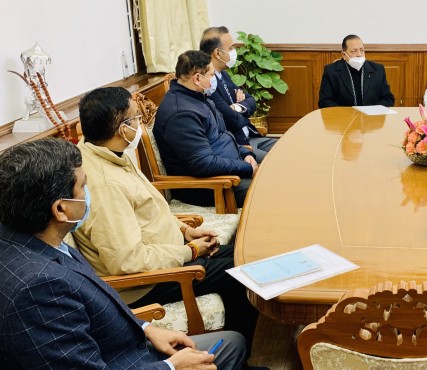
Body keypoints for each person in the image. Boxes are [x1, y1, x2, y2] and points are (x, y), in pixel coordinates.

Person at [0, 138, 246, 370]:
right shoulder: (39, 289)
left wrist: (147, 328)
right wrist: (171, 367)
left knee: (233, 342)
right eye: (83, 187)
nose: (89, 193)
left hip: (127, 343)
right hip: (125, 360)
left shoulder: (30, 239)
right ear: (61, 209)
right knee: (232, 346)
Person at [73, 86, 259, 346]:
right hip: (146, 282)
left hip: (168, 251)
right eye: (136, 118)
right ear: (121, 128)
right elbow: (127, 262)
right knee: (244, 271)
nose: (141, 124)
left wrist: (185, 231)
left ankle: (239, 346)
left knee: (247, 252)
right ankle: (238, 354)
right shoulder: (104, 184)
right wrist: (191, 252)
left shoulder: (107, 153)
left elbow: (150, 207)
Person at [154, 50, 257, 207]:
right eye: (210, 75)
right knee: (271, 190)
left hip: (229, 170)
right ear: (197, 78)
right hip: (210, 187)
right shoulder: (181, 114)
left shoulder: (199, 98)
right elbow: (203, 164)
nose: (213, 79)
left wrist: (245, 153)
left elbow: (224, 135)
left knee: (277, 171)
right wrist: (247, 168)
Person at [200, 26, 277, 163]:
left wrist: (237, 107)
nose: (234, 52)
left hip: (252, 135)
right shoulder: (208, 83)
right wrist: (240, 109)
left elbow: (250, 100)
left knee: (288, 148)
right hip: (240, 145)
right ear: (218, 53)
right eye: (230, 48)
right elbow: (231, 120)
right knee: (278, 161)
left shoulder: (223, 74)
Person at [318, 34, 395, 108]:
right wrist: (348, 113)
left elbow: (388, 99)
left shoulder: (377, 69)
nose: (359, 54)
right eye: (354, 51)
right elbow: (325, 101)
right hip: (343, 119)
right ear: (343, 55)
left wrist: (372, 111)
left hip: (371, 119)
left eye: (362, 50)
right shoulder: (331, 71)